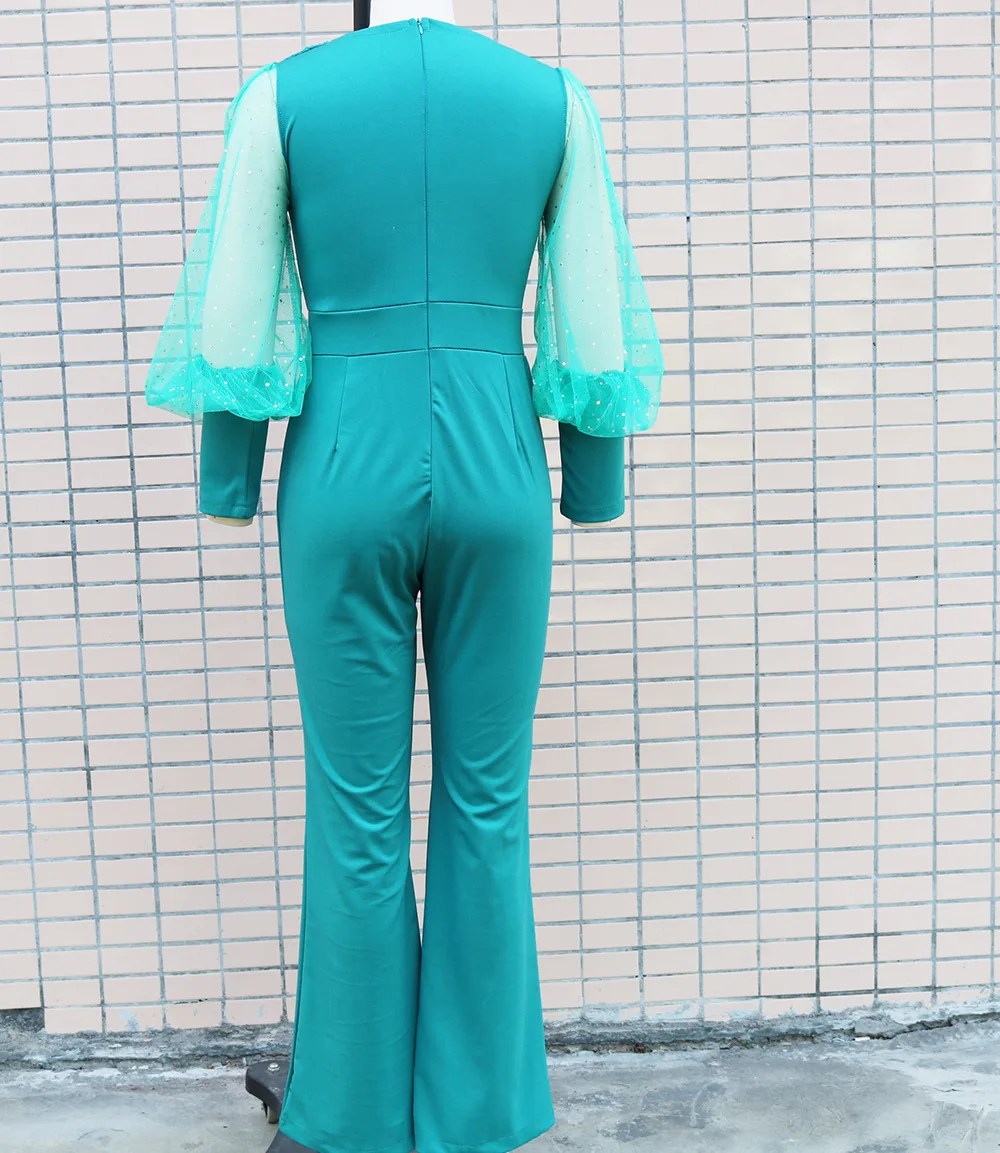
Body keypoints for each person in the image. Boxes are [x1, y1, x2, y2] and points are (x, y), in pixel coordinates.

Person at [143, 10, 663, 1153]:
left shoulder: (283, 96)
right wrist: (593, 478)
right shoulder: (550, 99)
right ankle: (476, 1114)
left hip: (344, 466)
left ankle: (352, 1114)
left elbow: (236, 305)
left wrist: (229, 475)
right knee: (487, 800)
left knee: (357, 804)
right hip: (496, 463)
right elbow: (590, 313)